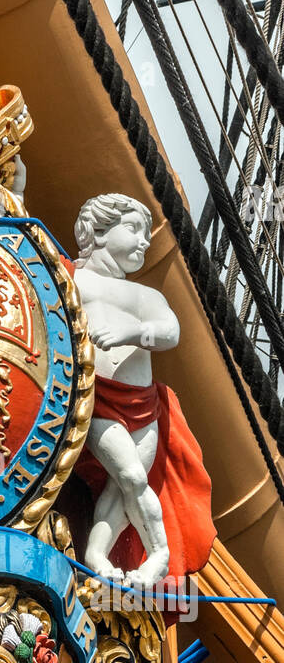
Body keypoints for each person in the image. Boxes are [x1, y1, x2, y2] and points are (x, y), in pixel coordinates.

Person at [73, 193, 215, 585]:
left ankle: (97, 555)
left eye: (147, 237)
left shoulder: (145, 296)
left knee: (122, 490)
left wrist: (130, 331)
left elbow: (170, 331)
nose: (143, 241)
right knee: (133, 477)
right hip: (97, 400)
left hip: (143, 405)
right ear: (99, 230)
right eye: (133, 229)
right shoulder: (72, 278)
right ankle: (159, 554)